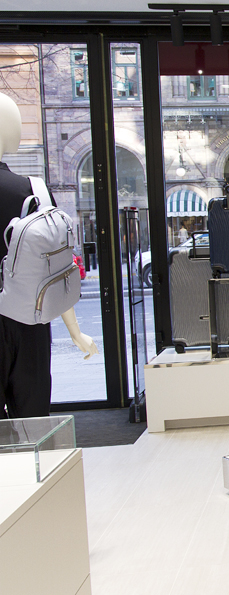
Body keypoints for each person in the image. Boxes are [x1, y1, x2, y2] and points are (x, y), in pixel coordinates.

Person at [0, 92, 98, 419]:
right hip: (28, 318)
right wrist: (73, 330)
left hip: (28, 315)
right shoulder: (32, 191)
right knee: (33, 419)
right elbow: (55, 269)